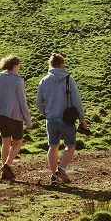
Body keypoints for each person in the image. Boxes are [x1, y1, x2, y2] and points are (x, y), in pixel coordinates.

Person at [36, 52, 88, 185]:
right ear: (62, 64)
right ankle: (62, 168)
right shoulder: (69, 79)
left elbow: (39, 103)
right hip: (67, 119)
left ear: (51, 65)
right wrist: (82, 119)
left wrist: (46, 114)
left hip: (51, 119)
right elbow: (77, 101)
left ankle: (53, 175)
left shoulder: (43, 81)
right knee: (70, 145)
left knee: (53, 146)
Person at [0, 55, 33, 181]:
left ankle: (4, 172)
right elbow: (22, 101)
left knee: (5, 142)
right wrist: (28, 120)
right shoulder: (18, 80)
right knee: (18, 142)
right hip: (14, 115)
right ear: (15, 66)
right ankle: (7, 165)